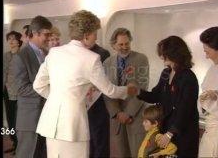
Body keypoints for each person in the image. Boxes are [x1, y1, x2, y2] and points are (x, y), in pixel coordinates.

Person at [32, 10, 132, 158]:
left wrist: (58, 98)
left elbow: (38, 85)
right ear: (86, 35)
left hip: (50, 121)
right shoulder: (92, 58)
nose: (95, 37)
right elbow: (109, 90)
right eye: (94, 33)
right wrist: (128, 90)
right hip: (73, 123)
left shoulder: (54, 53)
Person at [131, 35, 199, 157]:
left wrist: (170, 133)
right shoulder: (166, 73)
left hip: (182, 132)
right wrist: (138, 92)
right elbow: (156, 96)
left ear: (174, 53)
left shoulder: (188, 77)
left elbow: (185, 109)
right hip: (166, 128)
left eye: (163, 53)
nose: (161, 56)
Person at [103, 27, 150, 157]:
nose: (124, 47)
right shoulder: (107, 63)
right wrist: (117, 113)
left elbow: (142, 87)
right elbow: (106, 90)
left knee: (137, 153)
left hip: (135, 116)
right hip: (116, 118)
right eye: (121, 44)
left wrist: (128, 113)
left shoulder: (141, 59)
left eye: (127, 43)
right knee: (119, 153)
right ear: (113, 45)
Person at [10, 15, 52, 158]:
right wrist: (48, 90)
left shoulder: (47, 54)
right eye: (46, 34)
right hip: (29, 119)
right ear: (34, 33)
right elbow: (20, 88)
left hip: (46, 117)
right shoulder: (20, 57)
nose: (49, 38)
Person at [198, 26, 218, 158]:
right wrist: (203, 102)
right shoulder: (212, 70)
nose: (206, 57)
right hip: (210, 133)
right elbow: (202, 102)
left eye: (208, 52)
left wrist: (215, 101)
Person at [86, 43, 111, 158]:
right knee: (87, 144)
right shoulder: (76, 53)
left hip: (98, 105)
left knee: (99, 142)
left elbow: (106, 82)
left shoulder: (102, 54)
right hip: (82, 106)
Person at [3, 30, 23, 155]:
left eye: (14, 38)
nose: (11, 41)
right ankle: (14, 143)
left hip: (19, 92)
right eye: (9, 38)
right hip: (6, 92)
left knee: (18, 120)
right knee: (10, 120)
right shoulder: (5, 55)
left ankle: (21, 145)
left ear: (19, 41)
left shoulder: (22, 55)